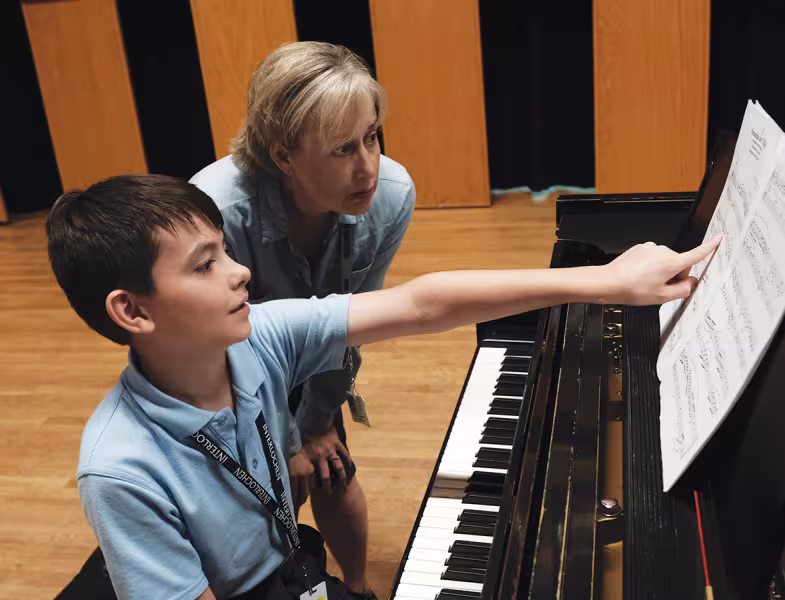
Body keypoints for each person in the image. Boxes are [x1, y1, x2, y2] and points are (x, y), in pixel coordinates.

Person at [46, 173, 718, 599]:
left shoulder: (258, 337)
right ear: (131, 311)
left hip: (287, 568)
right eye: (205, 265)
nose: (240, 272)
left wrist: (603, 283)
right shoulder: (120, 469)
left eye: (226, 249)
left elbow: (423, 303)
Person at [190, 42, 412, 596]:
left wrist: (317, 422)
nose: (368, 167)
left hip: (306, 356)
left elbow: (353, 323)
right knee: (267, 499)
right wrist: (286, 441)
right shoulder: (215, 211)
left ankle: (358, 589)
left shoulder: (391, 195)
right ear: (284, 156)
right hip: (217, 364)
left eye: (372, 137)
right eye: (342, 150)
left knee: (333, 465)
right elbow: (224, 350)